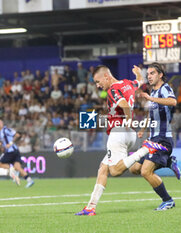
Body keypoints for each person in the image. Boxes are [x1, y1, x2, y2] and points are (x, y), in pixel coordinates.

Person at [75, 65, 169, 216]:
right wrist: (138, 73)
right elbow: (139, 81)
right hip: (129, 134)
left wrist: (129, 119)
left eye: (98, 81)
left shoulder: (112, 89)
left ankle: (145, 149)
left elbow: (124, 104)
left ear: (106, 76)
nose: (98, 85)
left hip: (118, 132)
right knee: (103, 168)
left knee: (115, 171)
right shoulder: (127, 83)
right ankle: (90, 207)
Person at [128, 63, 181, 211]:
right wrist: (143, 129)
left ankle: (168, 200)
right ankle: (168, 162)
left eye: (152, 73)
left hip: (163, 139)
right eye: (148, 74)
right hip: (152, 139)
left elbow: (173, 101)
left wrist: (151, 98)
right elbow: (150, 113)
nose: (149, 76)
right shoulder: (153, 91)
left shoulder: (165, 88)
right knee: (134, 169)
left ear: (160, 75)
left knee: (146, 171)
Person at [0, 117, 35, 188]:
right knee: (17, 167)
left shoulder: (6, 130)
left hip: (11, 151)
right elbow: (1, 143)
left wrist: (10, 143)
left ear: (2, 123)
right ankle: (29, 180)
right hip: (14, 151)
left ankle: (12, 171)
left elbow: (17, 135)